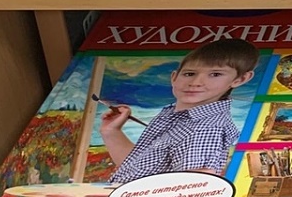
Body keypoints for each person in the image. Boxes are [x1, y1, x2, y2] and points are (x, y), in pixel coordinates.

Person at [103, 38, 258, 185]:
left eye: (215, 74)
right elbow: (139, 168)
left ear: (240, 79)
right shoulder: (173, 115)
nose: (195, 82)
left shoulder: (206, 128)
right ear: (174, 77)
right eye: (189, 74)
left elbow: (186, 189)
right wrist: (111, 131)